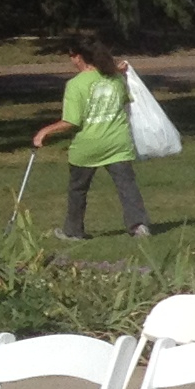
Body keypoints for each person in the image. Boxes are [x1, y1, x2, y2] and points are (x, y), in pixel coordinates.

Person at [30, 34, 150, 238]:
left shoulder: (76, 85)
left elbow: (71, 121)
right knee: (126, 186)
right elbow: (124, 100)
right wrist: (117, 72)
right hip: (117, 142)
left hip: (88, 146)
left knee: (78, 189)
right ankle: (138, 225)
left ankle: (73, 230)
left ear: (78, 57)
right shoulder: (115, 78)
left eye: (71, 56)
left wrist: (44, 131)